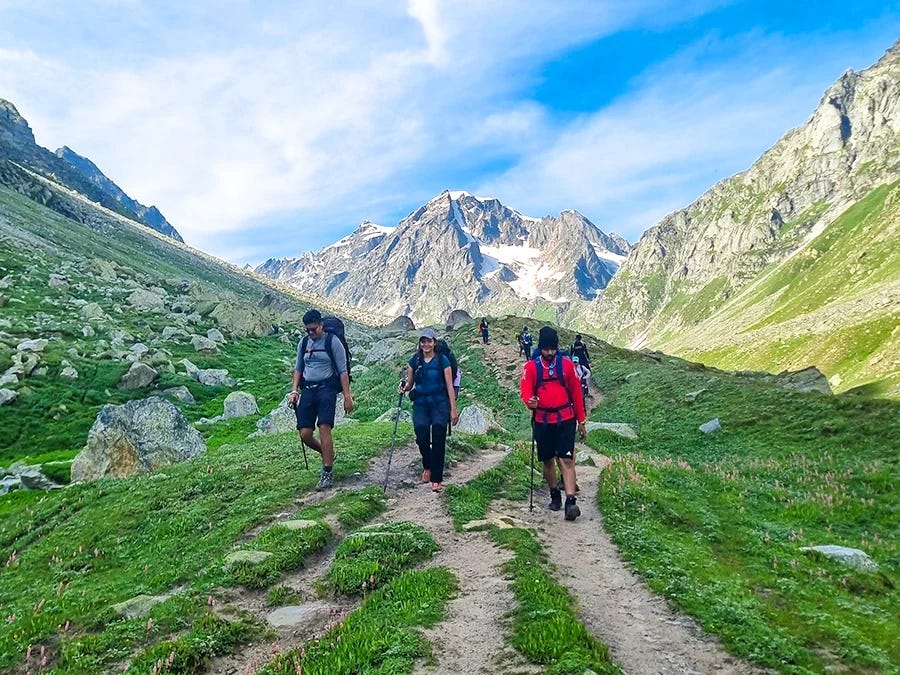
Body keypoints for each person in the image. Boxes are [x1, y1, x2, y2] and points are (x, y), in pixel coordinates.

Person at [520, 326, 586, 521]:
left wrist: (581, 421)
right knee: (547, 460)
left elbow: (576, 394)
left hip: (565, 419)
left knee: (566, 459)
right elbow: (525, 390)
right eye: (546, 349)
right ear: (540, 348)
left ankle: (570, 501)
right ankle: (554, 494)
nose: (550, 353)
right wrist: (529, 401)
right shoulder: (531, 368)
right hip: (542, 420)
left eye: (553, 349)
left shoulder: (566, 366)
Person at [288, 309, 354, 491]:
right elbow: (298, 369)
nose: (311, 333)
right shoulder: (303, 344)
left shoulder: (333, 342)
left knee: (324, 427)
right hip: (308, 389)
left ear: (321, 325)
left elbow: (343, 371)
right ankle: (328, 454)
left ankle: (327, 472)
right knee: (305, 433)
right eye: (307, 330)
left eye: (314, 329)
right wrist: (294, 390)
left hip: (327, 389)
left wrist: (347, 397)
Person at [400, 328, 459, 492]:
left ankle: (437, 479)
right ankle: (427, 465)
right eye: (423, 341)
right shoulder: (415, 360)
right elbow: (410, 384)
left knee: (439, 436)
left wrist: (453, 410)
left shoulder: (443, 360)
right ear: (420, 343)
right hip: (421, 403)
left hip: (440, 403)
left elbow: (449, 386)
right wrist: (403, 388)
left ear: (434, 342)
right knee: (421, 434)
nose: (426, 344)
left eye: (429, 341)